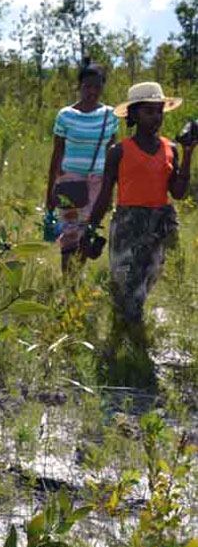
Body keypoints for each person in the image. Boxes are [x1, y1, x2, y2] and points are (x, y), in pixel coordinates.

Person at [86, 82, 194, 338]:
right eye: (148, 111)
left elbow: (177, 192)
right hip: (128, 225)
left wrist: (188, 153)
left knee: (147, 280)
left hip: (158, 225)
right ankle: (129, 340)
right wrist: (90, 228)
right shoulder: (119, 151)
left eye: (159, 111)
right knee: (126, 284)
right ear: (133, 115)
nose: (156, 117)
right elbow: (104, 194)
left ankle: (130, 336)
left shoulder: (170, 149)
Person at [44, 58, 116, 273]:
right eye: (87, 86)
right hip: (70, 182)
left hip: (98, 183)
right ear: (79, 86)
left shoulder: (110, 116)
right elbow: (56, 154)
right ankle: (67, 283)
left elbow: (112, 153)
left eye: (97, 86)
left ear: (103, 86)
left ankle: (77, 278)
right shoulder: (66, 115)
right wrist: (50, 192)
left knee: (88, 232)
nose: (91, 91)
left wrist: (110, 190)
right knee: (70, 234)